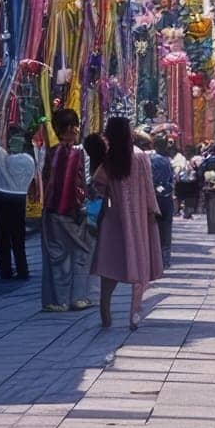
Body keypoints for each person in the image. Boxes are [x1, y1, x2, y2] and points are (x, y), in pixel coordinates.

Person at [90, 115, 164, 329]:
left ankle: (105, 312)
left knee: (109, 265)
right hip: (138, 217)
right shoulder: (141, 157)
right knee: (139, 265)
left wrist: (111, 197)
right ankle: (134, 313)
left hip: (113, 217)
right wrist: (152, 212)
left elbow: (97, 183)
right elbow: (149, 190)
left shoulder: (109, 160)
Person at [39, 108, 93, 312]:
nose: (75, 129)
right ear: (67, 128)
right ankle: (78, 297)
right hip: (75, 212)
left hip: (54, 211)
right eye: (73, 126)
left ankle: (58, 300)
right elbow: (85, 182)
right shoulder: (81, 154)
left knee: (57, 256)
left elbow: (45, 179)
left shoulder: (49, 152)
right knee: (80, 254)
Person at [0, 128, 36, 282]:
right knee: (18, 237)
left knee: (2, 236)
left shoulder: (2, 156)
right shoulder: (29, 159)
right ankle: (22, 269)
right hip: (18, 199)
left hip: (2, 196)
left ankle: (6, 271)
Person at [144, 132, 175, 269]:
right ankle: (165, 259)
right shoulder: (168, 161)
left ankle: (153, 259)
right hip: (166, 197)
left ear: (153, 145)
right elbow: (172, 180)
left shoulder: (150, 159)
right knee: (166, 229)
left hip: (153, 196)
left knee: (152, 228)